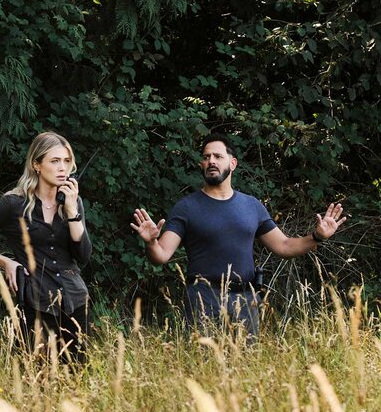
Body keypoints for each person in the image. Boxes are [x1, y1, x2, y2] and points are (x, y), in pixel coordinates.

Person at [131, 133, 347, 336]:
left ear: (232, 163)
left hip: (246, 300)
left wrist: (317, 237)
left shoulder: (251, 206)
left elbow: (284, 246)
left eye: (218, 156)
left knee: (245, 370)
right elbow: (161, 255)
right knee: (203, 370)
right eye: (206, 157)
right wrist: (151, 242)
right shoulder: (187, 208)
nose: (211, 161)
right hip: (203, 299)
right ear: (201, 165)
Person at [0, 132, 92, 358]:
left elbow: (83, 256)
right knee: (35, 379)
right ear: (37, 165)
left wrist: (72, 213)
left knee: (76, 380)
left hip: (75, 301)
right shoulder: (13, 204)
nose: (63, 168)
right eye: (55, 161)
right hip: (36, 303)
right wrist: (6, 261)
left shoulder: (72, 201)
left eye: (67, 161)